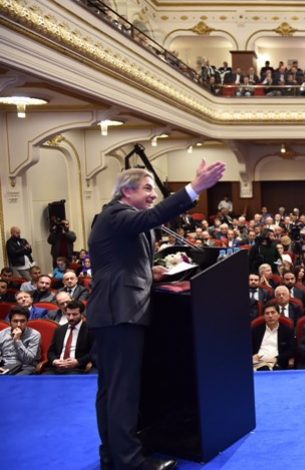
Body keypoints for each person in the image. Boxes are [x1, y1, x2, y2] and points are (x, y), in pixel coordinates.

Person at [87, 162, 225, 470]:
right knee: (122, 390)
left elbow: (120, 264)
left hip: (115, 310)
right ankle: (130, 460)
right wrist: (195, 187)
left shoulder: (121, 220)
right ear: (127, 191)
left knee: (111, 389)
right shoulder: (116, 214)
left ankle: (112, 454)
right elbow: (153, 217)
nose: (153, 195)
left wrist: (150, 273)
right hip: (120, 311)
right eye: (148, 188)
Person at [46, 300, 94, 374]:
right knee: (45, 379)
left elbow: (94, 352)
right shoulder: (60, 329)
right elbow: (51, 351)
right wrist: (55, 361)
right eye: (68, 314)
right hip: (57, 368)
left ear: (81, 314)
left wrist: (78, 362)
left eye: (74, 314)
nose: (71, 318)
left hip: (76, 368)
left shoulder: (90, 330)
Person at [251, 304, 296, 371]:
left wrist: (277, 359)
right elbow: (248, 347)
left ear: (278, 315)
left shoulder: (287, 331)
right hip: (258, 363)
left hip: (277, 363)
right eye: (267, 313)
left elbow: (291, 350)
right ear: (264, 316)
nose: (270, 316)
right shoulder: (256, 330)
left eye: (273, 312)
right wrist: (252, 356)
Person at [0, 306, 40, 375]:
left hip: (25, 367)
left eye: (22, 321)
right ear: (10, 322)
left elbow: (28, 360)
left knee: (15, 380)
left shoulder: (34, 335)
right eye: (15, 321)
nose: (19, 325)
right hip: (6, 366)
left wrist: (17, 340)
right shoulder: (2, 334)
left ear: (27, 321)